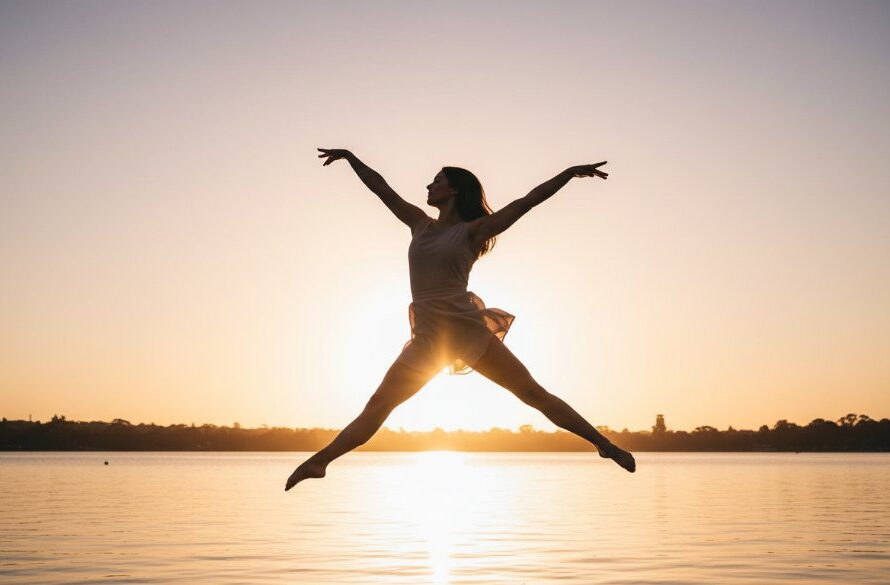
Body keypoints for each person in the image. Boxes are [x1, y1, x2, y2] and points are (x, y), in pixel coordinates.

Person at [285, 148, 635, 491]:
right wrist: (350, 157)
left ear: (452, 189)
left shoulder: (472, 231)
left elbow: (526, 202)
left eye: (436, 181)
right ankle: (320, 462)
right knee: (379, 404)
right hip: (428, 337)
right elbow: (381, 188)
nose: (428, 186)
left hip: (465, 330)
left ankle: (604, 444)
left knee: (532, 393)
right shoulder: (418, 224)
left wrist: (568, 173)